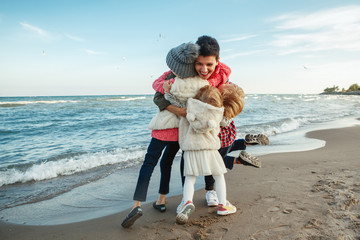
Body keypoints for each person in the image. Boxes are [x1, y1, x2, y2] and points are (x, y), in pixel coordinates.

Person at [152, 35, 269, 207]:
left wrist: (228, 112)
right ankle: (190, 197)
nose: (204, 69)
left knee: (215, 158)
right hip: (199, 125)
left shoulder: (223, 79)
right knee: (200, 158)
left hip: (217, 124)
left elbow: (234, 98)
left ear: (217, 61)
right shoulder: (186, 76)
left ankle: (209, 192)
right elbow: (160, 93)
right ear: (193, 62)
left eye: (209, 64)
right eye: (199, 64)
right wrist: (176, 106)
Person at [121, 42, 202, 228]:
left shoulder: (169, 79)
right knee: (172, 163)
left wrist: (167, 84)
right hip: (181, 131)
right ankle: (170, 200)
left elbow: (155, 87)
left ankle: (137, 204)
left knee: (149, 163)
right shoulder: (194, 82)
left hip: (163, 129)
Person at [176, 84, 243, 224]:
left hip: (191, 149)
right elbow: (224, 124)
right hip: (211, 149)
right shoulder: (218, 114)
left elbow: (181, 127)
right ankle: (223, 204)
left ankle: (187, 202)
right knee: (219, 176)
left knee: (190, 178)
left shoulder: (189, 110)